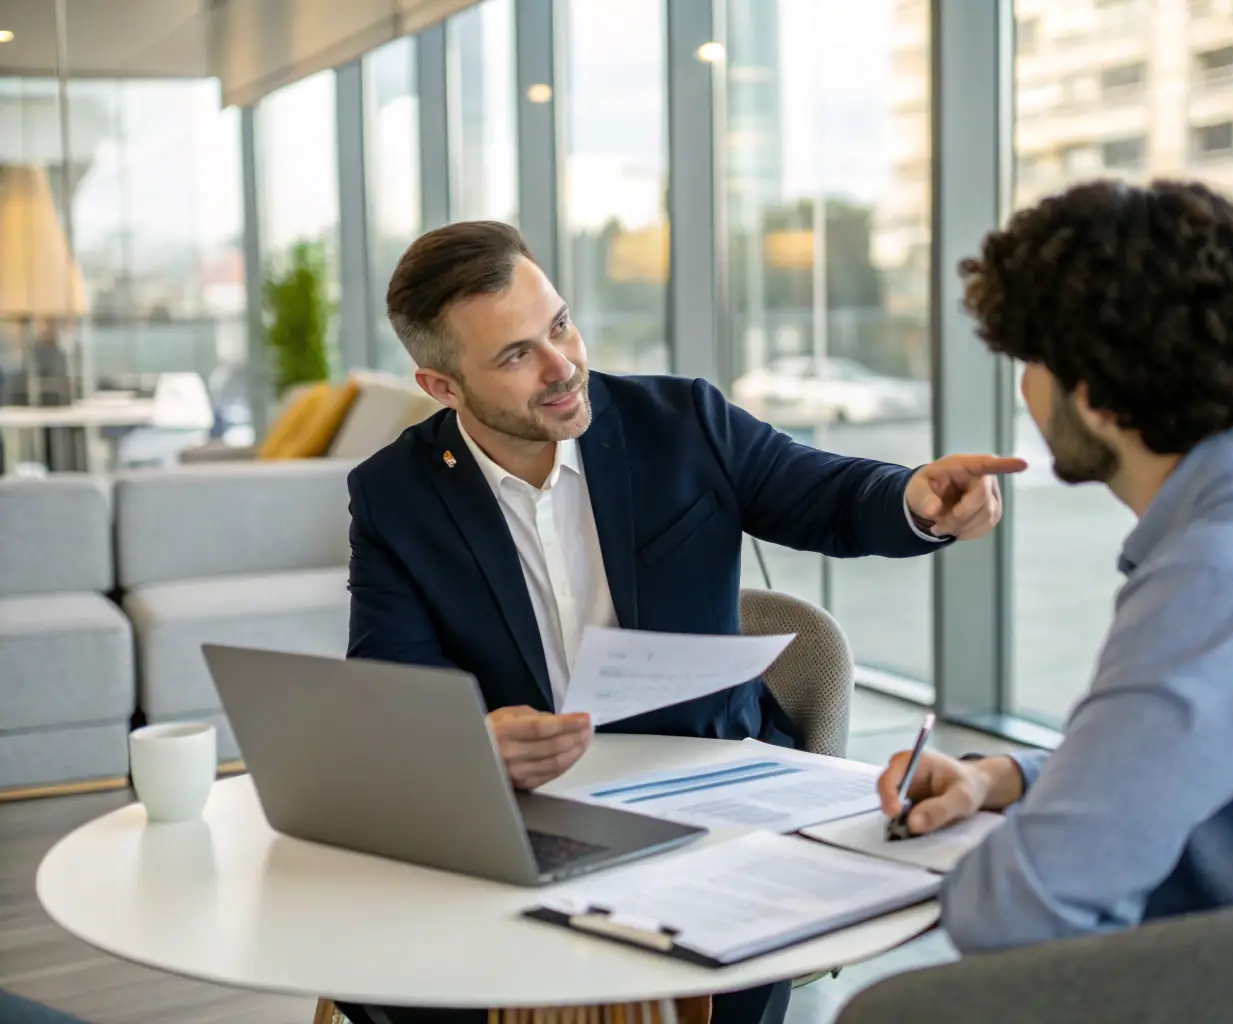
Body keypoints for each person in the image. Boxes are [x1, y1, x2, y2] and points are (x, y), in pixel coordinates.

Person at [338, 220, 1023, 1024]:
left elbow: (826, 494)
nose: (562, 367)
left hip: (710, 788)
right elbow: (391, 672)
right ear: (443, 387)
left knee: (722, 978)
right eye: (515, 355)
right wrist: (474, 738)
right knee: (388, 973)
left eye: (558, 325)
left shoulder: (680, 421)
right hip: (529, 809)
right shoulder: (394, 493)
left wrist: (915, 498)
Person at [877, 179, 1233, 955]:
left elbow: (1017, 911)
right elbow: (1197, 757)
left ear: (1095, 396)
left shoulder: (1219, 580)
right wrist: (1006, 778)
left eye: (1030, 359)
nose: (1023, 388)